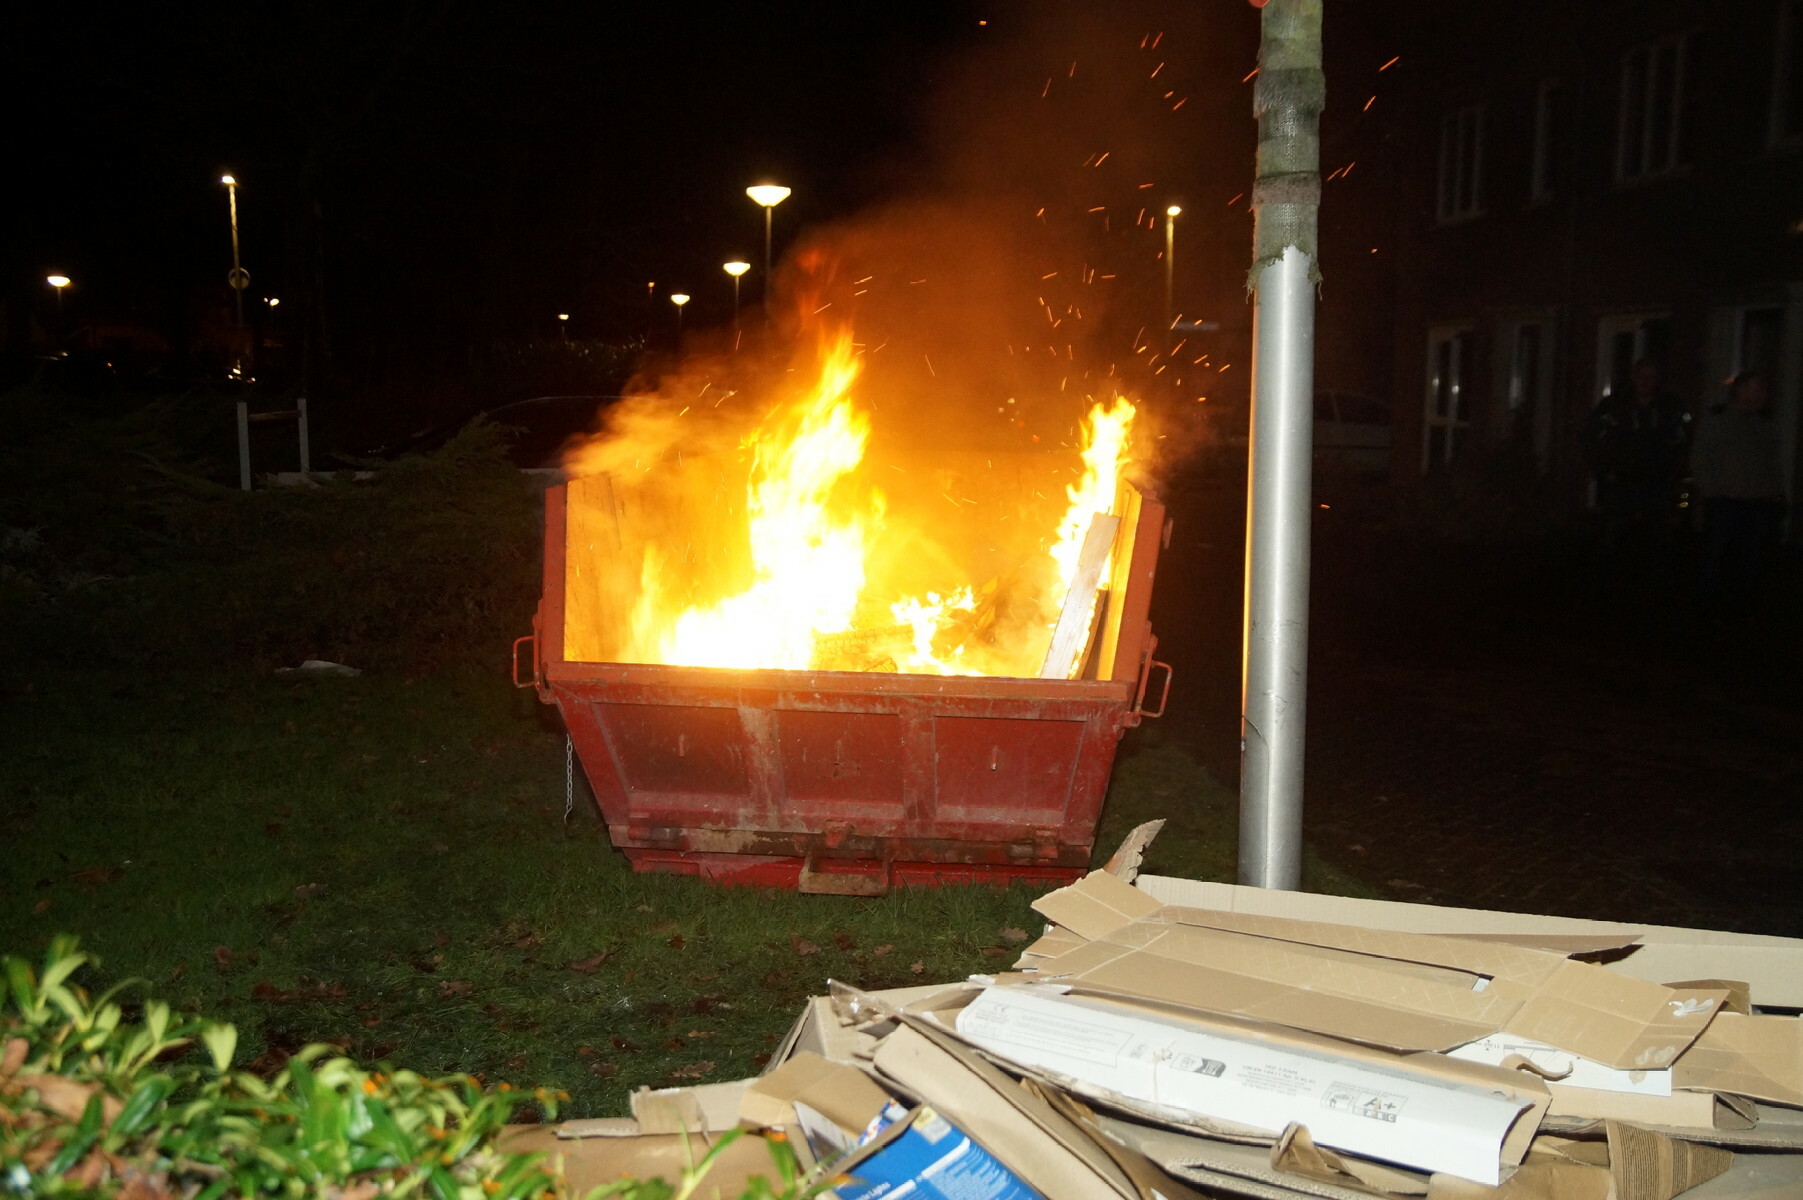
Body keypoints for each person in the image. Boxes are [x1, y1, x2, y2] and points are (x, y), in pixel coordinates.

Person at [1582, 358, 1691, 601]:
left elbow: (1683, 439)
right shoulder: (1614, 406)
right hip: (1622, 481)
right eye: (1642, 376)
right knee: (1612, 533)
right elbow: (1592, 438)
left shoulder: (1670, 407)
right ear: (1634, 377)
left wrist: (1677, 473)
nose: (1646, 382)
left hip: (1658, 481)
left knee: (1661, 534)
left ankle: (1660, 587)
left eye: (1651, 377)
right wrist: (1603, 470)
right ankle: (1603, 585)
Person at [1692, 370, 1786, 619]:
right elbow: (1700, 457)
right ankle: (1706, 607)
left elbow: (1770, 463)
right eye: (1757, 389)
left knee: (1750, 557)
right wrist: (1712, 491)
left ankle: (1740, 606)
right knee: (1715, 554)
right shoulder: (1718, 420)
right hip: (1726, 501)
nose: (1762, 395)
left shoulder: (1763, 425)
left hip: (1757, 503)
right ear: (1741, 390)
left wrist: (1775, 494)